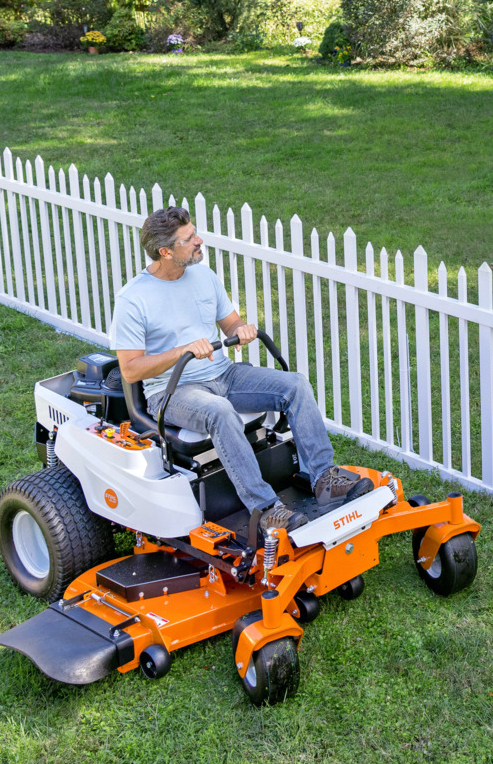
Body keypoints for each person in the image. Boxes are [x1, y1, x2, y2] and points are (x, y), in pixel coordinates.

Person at [111, 206, 368, 541]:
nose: (199, 241)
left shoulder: (203, 275)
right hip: (173, 392)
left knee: (294, 385)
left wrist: (242, 329)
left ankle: (324, 479)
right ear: (166, 251)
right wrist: (181, 351)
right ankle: (266, 510)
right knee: (220, 413)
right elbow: (130, 370)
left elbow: (229, 321)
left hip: (224, 374)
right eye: (189, 239)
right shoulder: (134, 299)